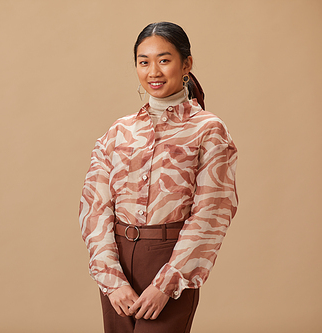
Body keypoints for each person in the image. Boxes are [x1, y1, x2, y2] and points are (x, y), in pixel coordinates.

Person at [79, 22, 238, 333]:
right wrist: (112, 281)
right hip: (118, 263)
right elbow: (94, 207)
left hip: (173, 260)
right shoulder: (119, 130)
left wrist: (166, 284)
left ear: (186, 64)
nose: (153, 71)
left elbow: (211, 213)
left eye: (164, 60)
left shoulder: (208, 129)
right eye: (144, 61)